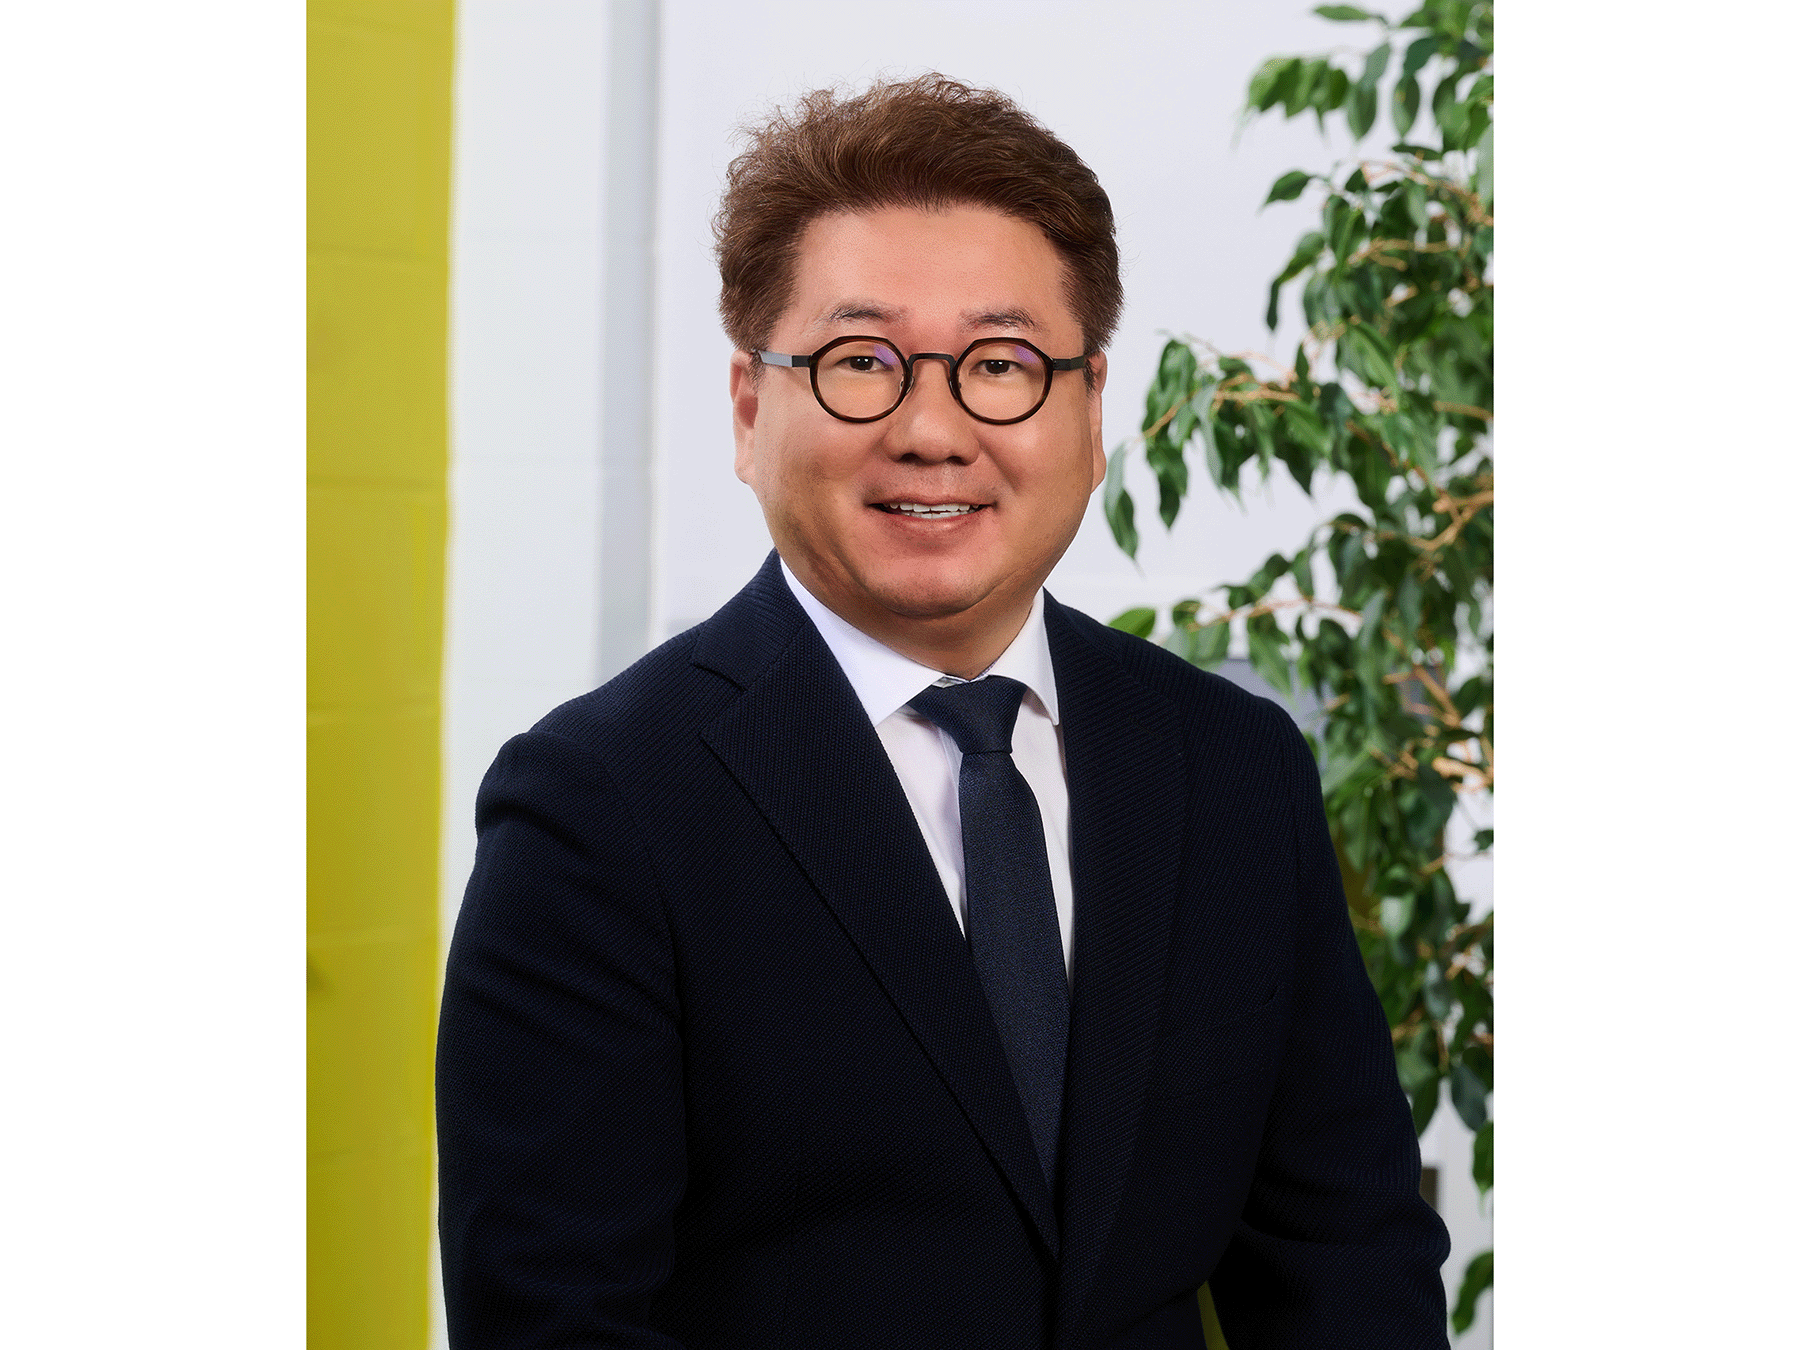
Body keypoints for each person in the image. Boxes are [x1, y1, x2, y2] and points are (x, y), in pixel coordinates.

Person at [436, 75, 1451, 1349]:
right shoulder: (601, 809)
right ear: (751, 409)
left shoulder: (1231, 765)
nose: (932, 428)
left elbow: (1346, 1257)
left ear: (1090, 414)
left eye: (1002, 365)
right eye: (861, 360)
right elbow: (554, 1321)